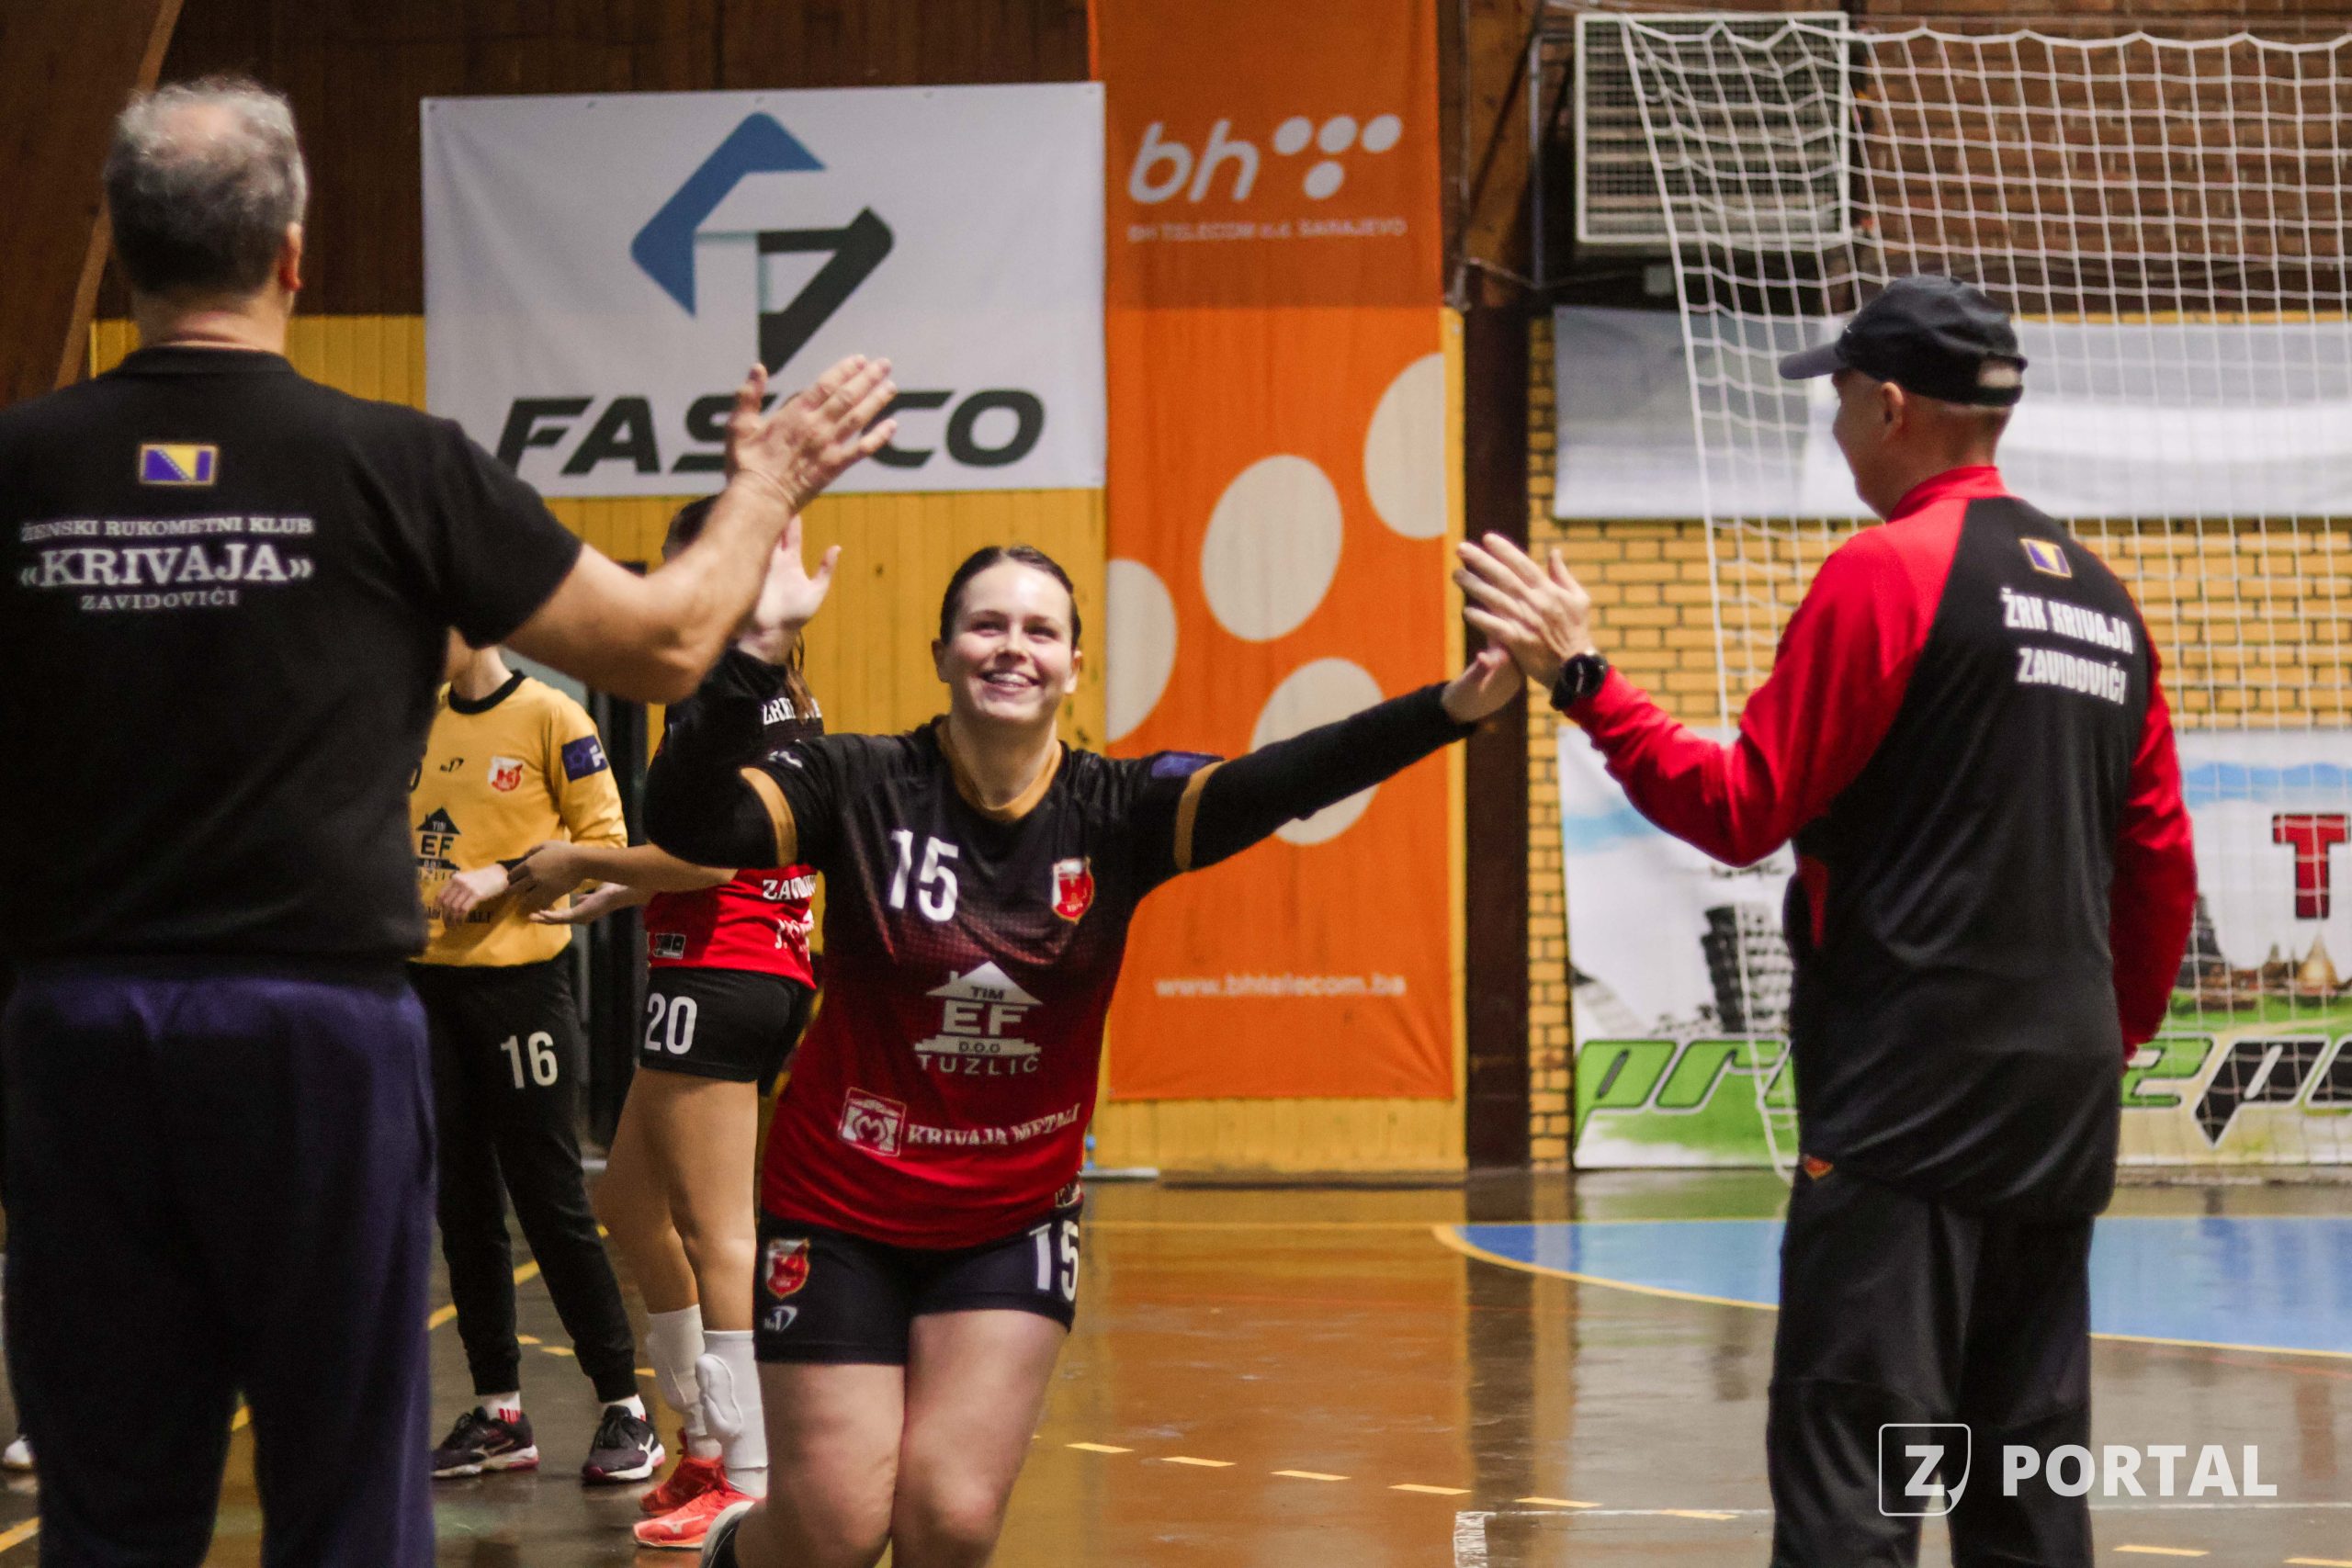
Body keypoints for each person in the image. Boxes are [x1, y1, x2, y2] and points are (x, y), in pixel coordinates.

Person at [0, 76, 893, 1567]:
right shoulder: (398, 466)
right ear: (295, 254)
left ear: (117, 243)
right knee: (347, 1492)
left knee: (110, 1508)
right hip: (314, 1033)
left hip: (77, 1031)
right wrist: (770, 482)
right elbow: (670, 641)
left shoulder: (21, 470)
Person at [1456, 274, 2199, 1568]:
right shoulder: (2101, 600)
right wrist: (2103, 1039)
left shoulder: (1886, 574)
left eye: (1842, 393)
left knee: (1854, 1460)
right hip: (2059, 1096)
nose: (1835, 418)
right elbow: (2160, 861)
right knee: (2025, 1464)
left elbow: (1741, 805)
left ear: (1891, 407)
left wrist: (1584, 680)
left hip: (1908, 1092)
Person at [637, 542, 1523, 1568]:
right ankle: (737, 1552)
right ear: (941, 651)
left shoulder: (1117, 812)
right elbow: (687, 820)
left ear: (1074, 665)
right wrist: (752, 653)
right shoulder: (860, 782)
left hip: (1007, 1219)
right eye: (986, 625)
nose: (1012, 647)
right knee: (833, 1531)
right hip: (839, 1206)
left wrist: (1450, 709)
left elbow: (1289, 778)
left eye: (1039, 630)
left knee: (949, 1520)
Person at [510, 497, 837, 1550]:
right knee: (628, 1200)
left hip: (728, 973)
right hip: (734, 961)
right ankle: (703, 1435)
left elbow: (708, 861)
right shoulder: (770, 689)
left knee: (717, 1229)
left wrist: (578, 857)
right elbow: (721, 854)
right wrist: (619, 890)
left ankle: (745, 1472)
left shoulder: (723, 692)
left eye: (677, 567)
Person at [407, 636, 657, 1483]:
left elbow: (605, 847)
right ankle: (499, 1411)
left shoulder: (554, 718)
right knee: (463, 1206)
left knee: (550, 1202)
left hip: (519, 994)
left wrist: (503, 875)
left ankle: (625, 1408)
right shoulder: (417, 722)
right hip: (426, 992)